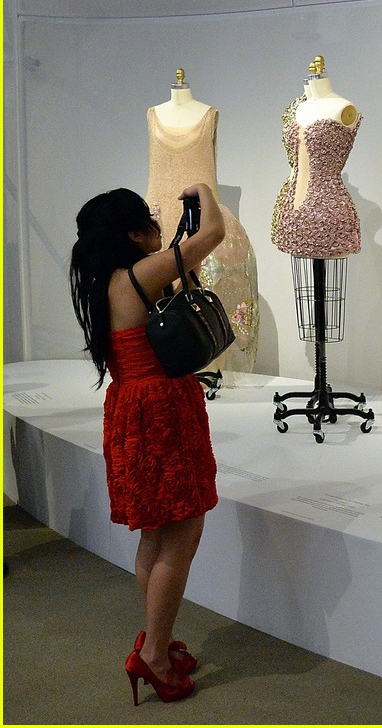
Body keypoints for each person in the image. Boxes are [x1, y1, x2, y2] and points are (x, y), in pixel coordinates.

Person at [68, 183, 225, 705]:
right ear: (135, 233)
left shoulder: (104, 283)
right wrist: (204, 192)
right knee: (183, 530)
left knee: (156, 535)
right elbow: (213, 234)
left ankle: (157, 638)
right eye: (150, 220)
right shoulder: (141, 274)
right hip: (161, 409)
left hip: (130, 408)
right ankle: (154, 653)